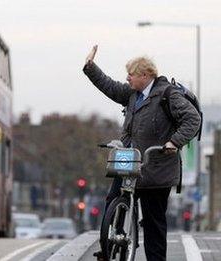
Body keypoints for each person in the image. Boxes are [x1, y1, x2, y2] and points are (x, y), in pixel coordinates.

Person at [83, 45, 201, 261]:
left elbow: (193, 119)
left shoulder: (168, 95)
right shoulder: (132, 94)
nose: (127, 78)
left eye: (131, 74)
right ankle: (110, 244)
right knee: (113, 199)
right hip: (130, 163)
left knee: (153, 221)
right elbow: (108, 86)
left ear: (145, 75)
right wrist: (91, 67)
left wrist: (174, 142)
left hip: (157, 169)